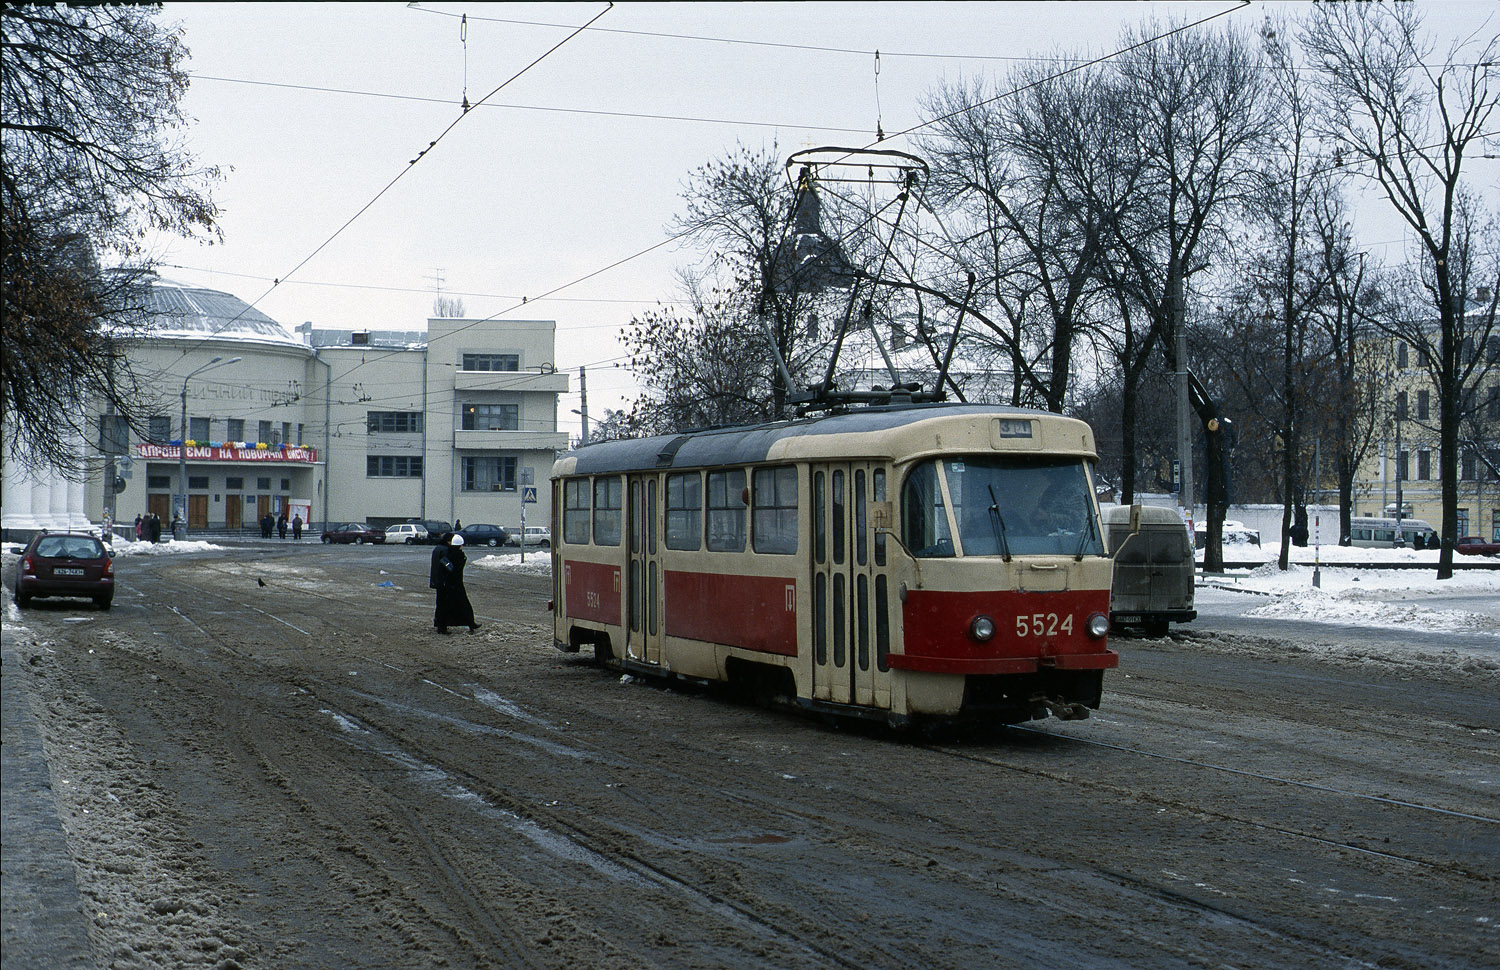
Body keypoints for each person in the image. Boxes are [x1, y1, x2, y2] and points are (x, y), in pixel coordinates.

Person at [429, 533, 479, 635]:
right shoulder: (449, 552)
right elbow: (452, 569)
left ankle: (441, 626)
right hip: (450, 584)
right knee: (460, 604)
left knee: (442, 605)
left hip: (441, 583)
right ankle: (469, 623)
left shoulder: (438, 549)